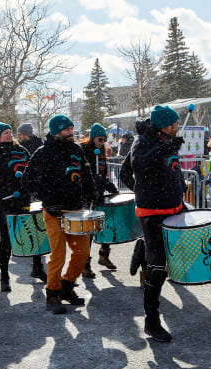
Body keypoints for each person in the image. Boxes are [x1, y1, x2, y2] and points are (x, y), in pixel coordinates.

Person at [22, 114, 96, 314]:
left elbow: (87, 175)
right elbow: (27, 181)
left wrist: (91, 192)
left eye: (71, 129)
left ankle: (67, 286)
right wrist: (46, 200)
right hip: (53, 212)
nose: (71, 133)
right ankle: (53, 292)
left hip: (76, 209)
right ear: (56, 132)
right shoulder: (42, 153)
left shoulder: (77, 150)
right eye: (66, 130)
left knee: (82, 252)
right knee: (58, 255)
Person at [131, 105, 185, 342]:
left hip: (173, 209)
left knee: (173, 257)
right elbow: (139, 167)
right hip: (152, 212)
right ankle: (151, 321)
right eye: (173, 123)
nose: (177, 126)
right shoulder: (142, 143)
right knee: (159, 268)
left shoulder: (166, 140)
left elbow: (171, 168)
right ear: (162, 125)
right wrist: (164, 147)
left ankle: (143, 246)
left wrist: (180, 185)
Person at [0, 122, 47, 292]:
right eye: (5, 133)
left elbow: (32, 171)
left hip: (24, 200)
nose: (9, 135)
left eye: (10, 132)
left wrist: (33, 187)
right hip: (5, 203)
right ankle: (4, 276)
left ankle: (37, 268)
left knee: (34, 234)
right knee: (6, 239)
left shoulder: (21, 151)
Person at [80, 123, 120, 278]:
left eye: (104, 140)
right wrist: (89, 183)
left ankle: (104, 255)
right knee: (89, 231)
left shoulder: (102, 153)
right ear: (92, 138)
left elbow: (103, 175)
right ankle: (85, 264)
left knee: (107, 225)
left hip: (99, 193)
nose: (102, 142)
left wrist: (109, 186)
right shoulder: (83, 151)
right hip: (87, 195)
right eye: (99, 139)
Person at [119, 120, 147, 288]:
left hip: (169, 200)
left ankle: (151, 266)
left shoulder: (166, 144)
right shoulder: (140, 145)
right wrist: (139, 189)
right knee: (152, 239)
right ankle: (146, 271)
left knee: (160, 239)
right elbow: (124, 172)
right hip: (149, 202)